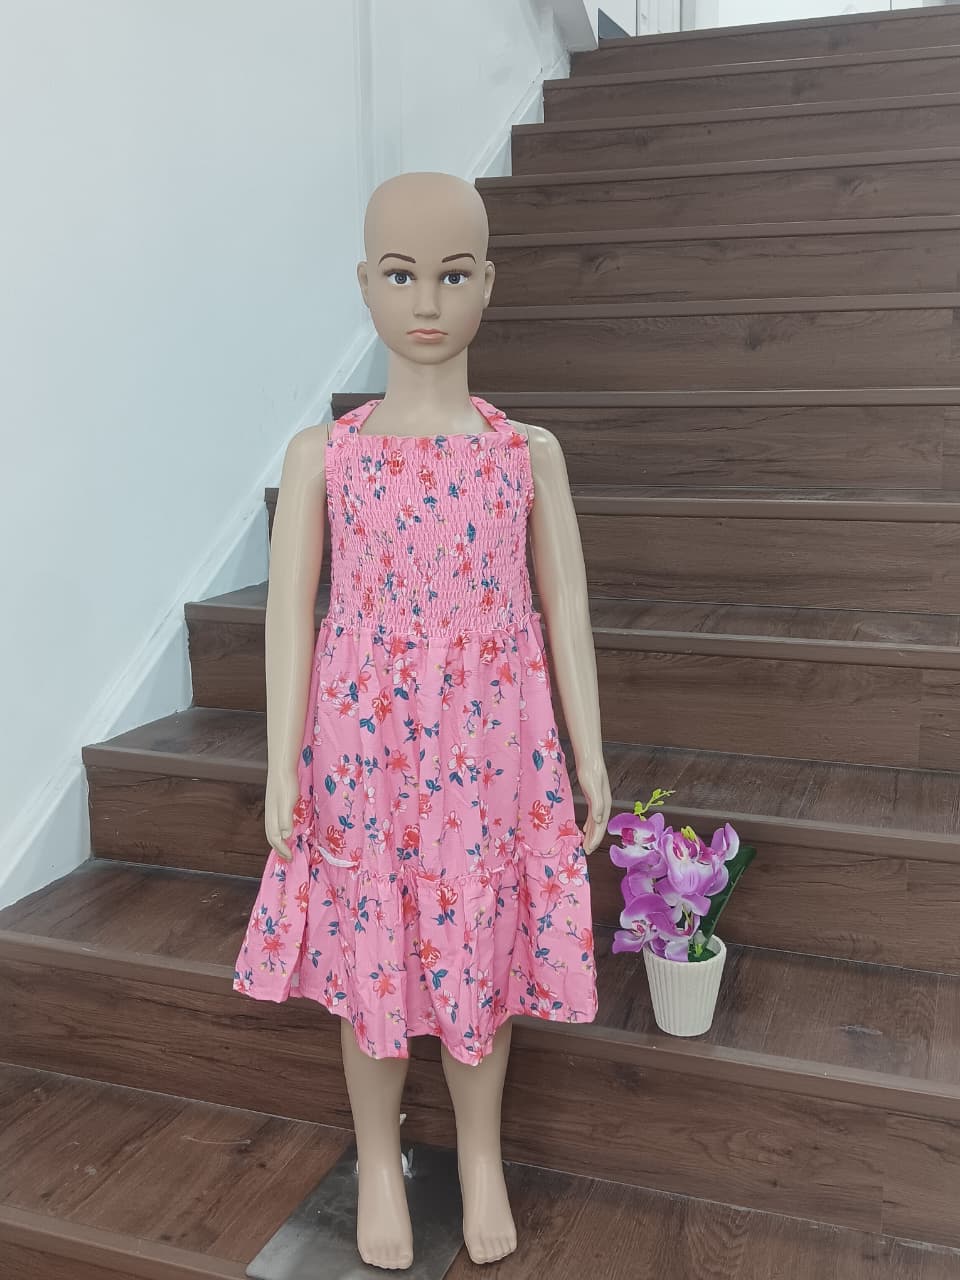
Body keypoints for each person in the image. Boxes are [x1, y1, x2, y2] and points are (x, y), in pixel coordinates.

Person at [232, 170, 611, 1270]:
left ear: (489, 282)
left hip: (493, 746)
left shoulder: (525, 453)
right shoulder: (325, 456)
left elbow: (566, 603)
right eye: (401, 275)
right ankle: (375, 1154)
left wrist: (589, 753)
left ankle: (482, 1156)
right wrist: (280, 763)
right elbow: (290, 614)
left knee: (482, 946)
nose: (428, 301)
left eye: (451, 274)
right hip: (367, 751)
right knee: (373, 954)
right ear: (365, 283)